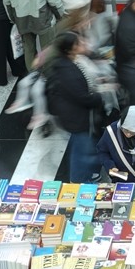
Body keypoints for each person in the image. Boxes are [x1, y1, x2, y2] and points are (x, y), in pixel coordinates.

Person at [45, 32, 105, 183]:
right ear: (69, 50)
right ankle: (78, 182)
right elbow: (82, 97)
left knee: (82, 148)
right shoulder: (68, 71)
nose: (81, 44)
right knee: (81, 152)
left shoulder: (63, 64)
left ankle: (90, 174)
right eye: (77, 43)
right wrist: (99, 97)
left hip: (69, 116)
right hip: (75, 119)